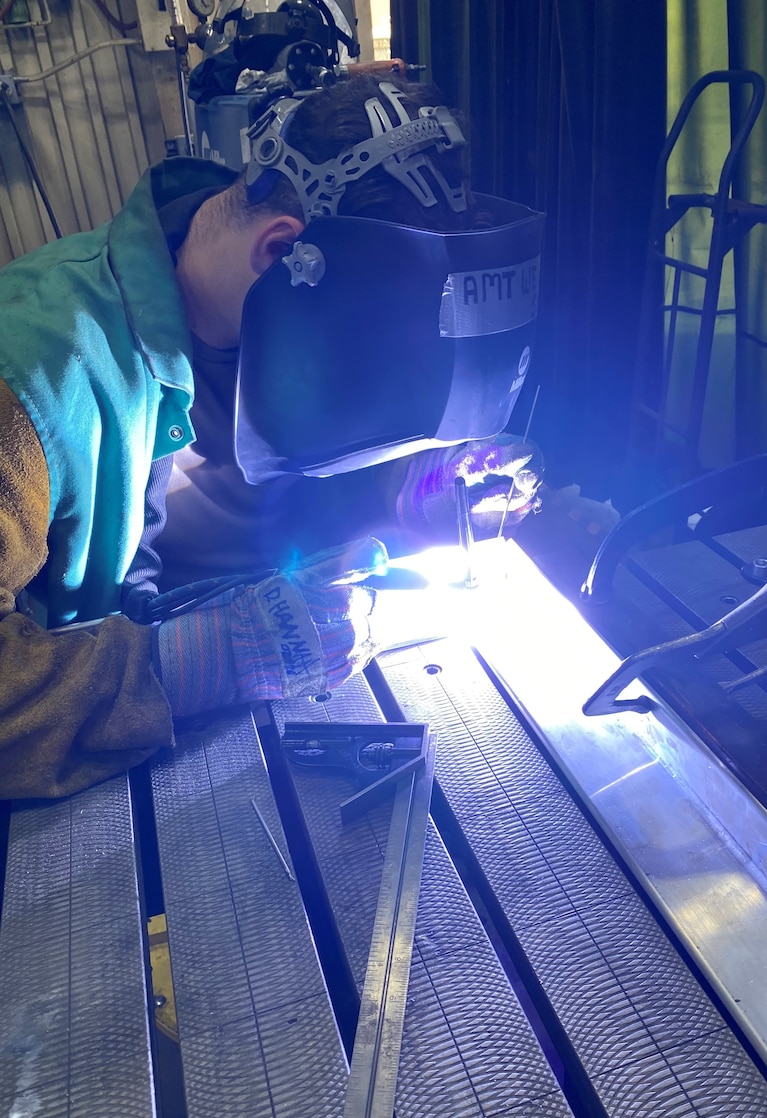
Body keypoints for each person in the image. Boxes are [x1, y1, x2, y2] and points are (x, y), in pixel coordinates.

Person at [0, 73, 543, 801]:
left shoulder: (285, 315)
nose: (370, 363)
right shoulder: (34, 372)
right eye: (371, 343)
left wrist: (412, 493)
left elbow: (318, 469)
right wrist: (200, 661)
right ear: (283, 253)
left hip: (279, 691)